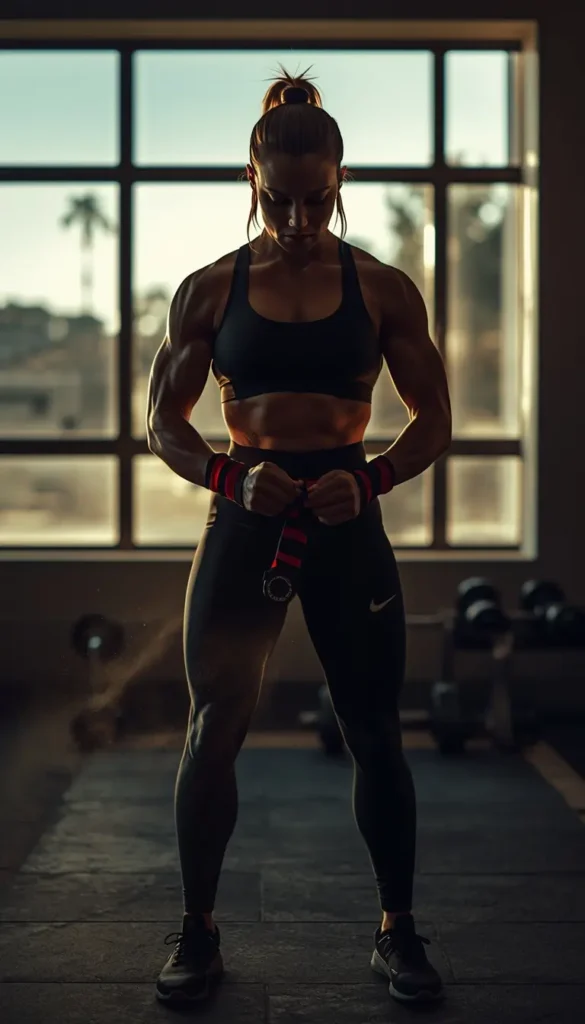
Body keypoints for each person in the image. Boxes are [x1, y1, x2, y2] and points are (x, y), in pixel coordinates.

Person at [147, 67, 451, 1008]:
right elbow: (164, 423)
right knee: (213, 729)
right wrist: (231, 474)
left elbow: (432, 418)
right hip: (243, 524)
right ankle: (197, 931)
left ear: (340, 182)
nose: (296, 218)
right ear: (251, 180)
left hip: (347, 526)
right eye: (277, 200)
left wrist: (371, 478)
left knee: (375, 735)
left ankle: (397, 931)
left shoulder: (385, 290)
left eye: (315, 200)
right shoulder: (206, 293)